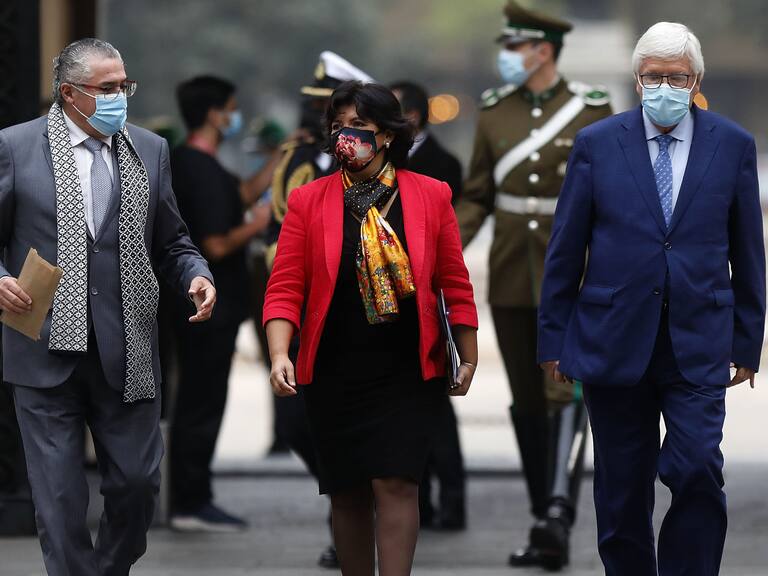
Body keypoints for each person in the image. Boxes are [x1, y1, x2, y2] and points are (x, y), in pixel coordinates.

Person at [538, 22, 765, 576]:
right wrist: (554, 339)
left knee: (696, 470)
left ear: (696, 80)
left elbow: (749, 252)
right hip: (613, 338)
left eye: (677, 76)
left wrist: (747, 342)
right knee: (621, 485)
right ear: (637, 81)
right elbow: (566, 248)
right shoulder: (597, 143)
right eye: (654, 76)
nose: (665, 86)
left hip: (699, 340)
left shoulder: (732, 145)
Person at [0, 38, 215, 575]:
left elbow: (173, 243)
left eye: (126, 86)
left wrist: (197, 276)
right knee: (60, 498)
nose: (122, 97)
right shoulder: (15, 146)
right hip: (44, 348)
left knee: (138, 485)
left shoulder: (149, 149)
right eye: (109, 88)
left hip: (130, 349)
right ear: (70, 94)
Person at [264, 81, 478, 575]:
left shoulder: (430, 195)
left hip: (406, 366)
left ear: (386, 134)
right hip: (334, 367)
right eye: (338, 126)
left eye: (358, 127)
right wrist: (280, 354)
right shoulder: (307, 201)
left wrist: (467, 355)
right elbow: (284, 288)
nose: (346, 136)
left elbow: (455, 282)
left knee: (398, 483)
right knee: (348, 491)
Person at [454, 0, 612, 569]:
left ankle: (557, 512)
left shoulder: (593, 109)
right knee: (525, 398)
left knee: (564, 389)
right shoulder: (495, 111)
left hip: (575, 271)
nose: (506, 58)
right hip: (514, 271)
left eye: (513, 48)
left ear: (542, 50)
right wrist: (441, 251)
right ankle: (542, 510)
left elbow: (611, 199)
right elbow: (477, 194)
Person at [266, 50, 374, 569]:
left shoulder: (378, 168)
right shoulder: (300, 160)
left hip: (359, 321)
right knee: (296, 424)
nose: (322, 121)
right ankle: (348, 501)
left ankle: (361, 510)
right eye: (324, 113)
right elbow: (280, 236)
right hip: (305, 311)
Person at [168, 75, 272, 532]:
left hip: (208, 308)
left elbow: (239, 194)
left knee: (201, 398)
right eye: (230, 108)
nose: (234, 116)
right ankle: (192, 500)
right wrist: (260, 224)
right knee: (201, 402)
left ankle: (193, 497)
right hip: (205, 307)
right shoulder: (197, 168)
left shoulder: (199, 164)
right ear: (214, 114)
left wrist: (281, 160)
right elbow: (216, 242)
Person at [391, 80, 467, 530]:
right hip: (379, 304)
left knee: (435, 408)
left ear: (413, 118)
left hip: (425, 299)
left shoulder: (443, 166)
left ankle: (450, 500)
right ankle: (420, 501)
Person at [390, 80, 463, 204]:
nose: (381, 118)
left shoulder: (446, 165)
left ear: (413, 117)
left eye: (390, 111)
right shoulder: (378, 156)